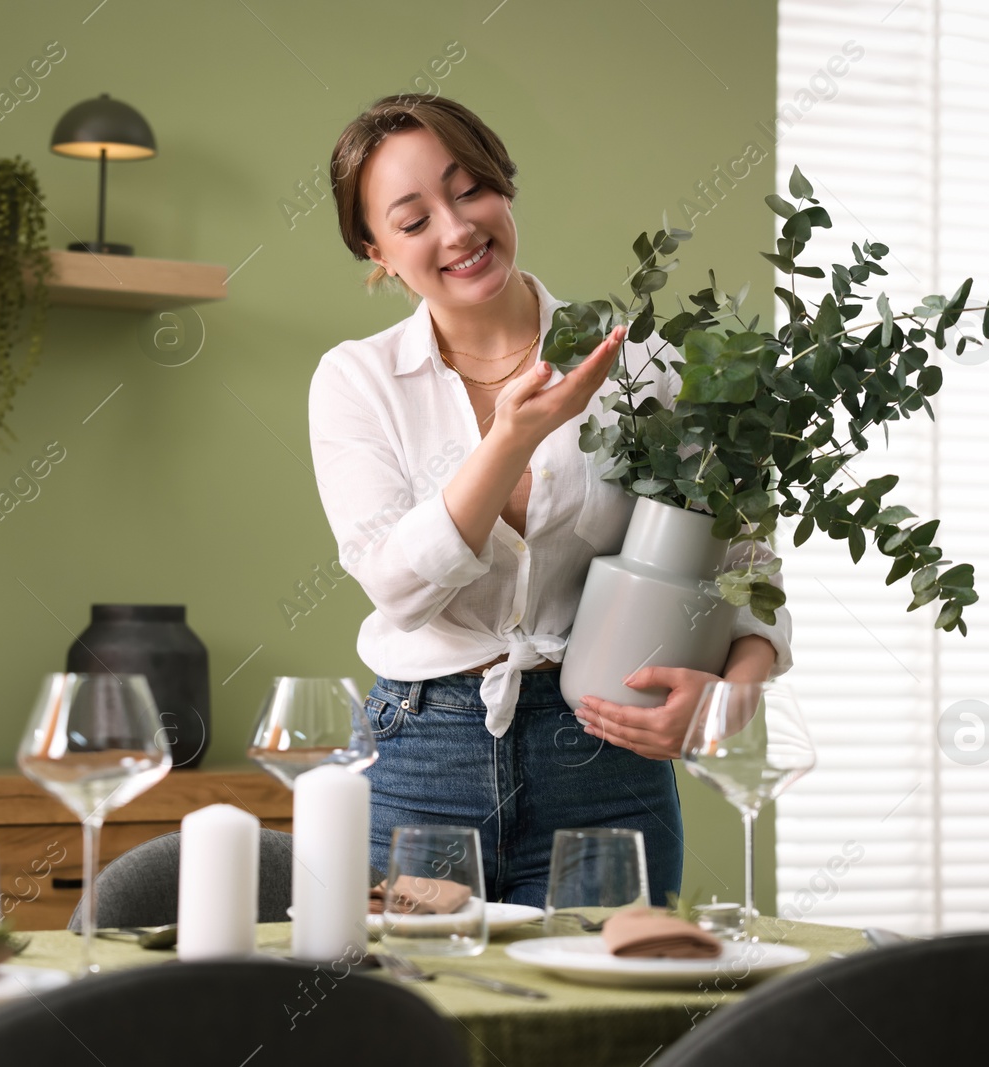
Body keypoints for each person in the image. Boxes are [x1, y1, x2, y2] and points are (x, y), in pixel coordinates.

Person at [307, 94, 793, 908]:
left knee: (610, 1026)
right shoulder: (355, 381)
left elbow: (747, 565)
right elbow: (398, 586)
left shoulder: (644, 367)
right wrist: (510, 440)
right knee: (412, 1023)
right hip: (419, 757)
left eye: (470, 191)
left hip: (603, 753)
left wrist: (732, 693)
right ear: (377, 249)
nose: (457, 230)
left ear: (504, 187)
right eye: (413, 217)